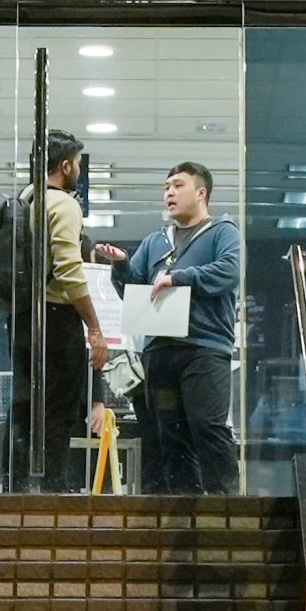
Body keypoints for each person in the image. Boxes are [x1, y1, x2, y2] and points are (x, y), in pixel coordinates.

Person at [122, 161, 242, 493]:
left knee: (207, 427)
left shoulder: (222, 232)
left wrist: (180, 278)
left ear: (201, 193)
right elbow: (136, 287)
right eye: (166, 188)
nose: (169, 193)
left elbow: (229, 272)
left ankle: (226, 506)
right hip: (159, 352)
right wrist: (120, 267)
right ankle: (182, 509)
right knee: (168, 432)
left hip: (204, 349)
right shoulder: (154, 242)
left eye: (178, 185)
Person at [9, 131, 114, 491]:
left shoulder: (25, 199)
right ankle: (55, 491)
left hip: (23, 319)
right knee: (59, 411)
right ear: (66, 165)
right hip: (57, 319)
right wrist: (94, 328)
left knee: (26, 408)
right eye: (79, 164)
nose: (80, 170)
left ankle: (20, 488)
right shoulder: (64, 204)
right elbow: (70, 270)